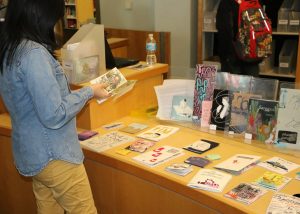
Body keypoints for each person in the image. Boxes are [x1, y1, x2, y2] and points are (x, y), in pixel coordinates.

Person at [0, 0, 110, 213]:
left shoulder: (9, 48)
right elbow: (54, 114)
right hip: (55, 155)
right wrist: (90, 91)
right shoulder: (33, 53)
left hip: (32, 154)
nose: (54, 25)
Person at [216, 0, 266, 77]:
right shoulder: (255, 2)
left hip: (232, 55)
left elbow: (223, 29)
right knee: (251, 86)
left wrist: (224, 56)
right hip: (252, 53)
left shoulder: (226, 3)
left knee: (233, 86)